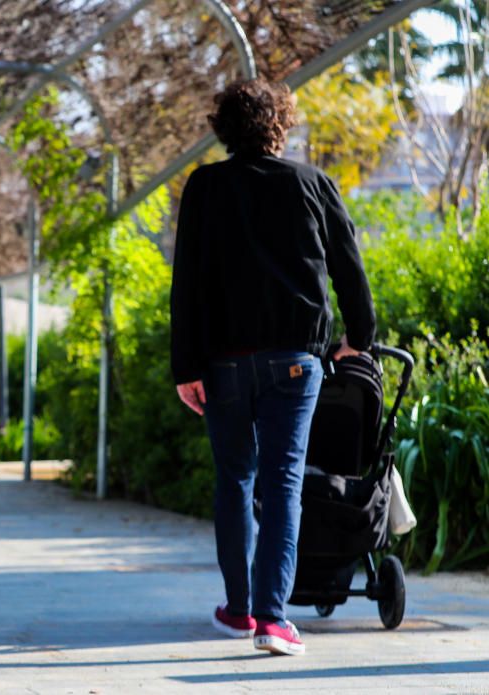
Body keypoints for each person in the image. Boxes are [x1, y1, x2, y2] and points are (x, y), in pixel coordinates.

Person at [170, 79, 376, 656]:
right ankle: (273, 620)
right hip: (294, 362)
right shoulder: (312, 183)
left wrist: (184, 366)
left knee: (234, 479)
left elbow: (185, 282)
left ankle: (237, 611)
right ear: (279, 125)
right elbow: (348, 266)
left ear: (225, 129)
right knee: (282, 482)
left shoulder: (205, 186)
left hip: (222, 364)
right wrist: (359, 339)